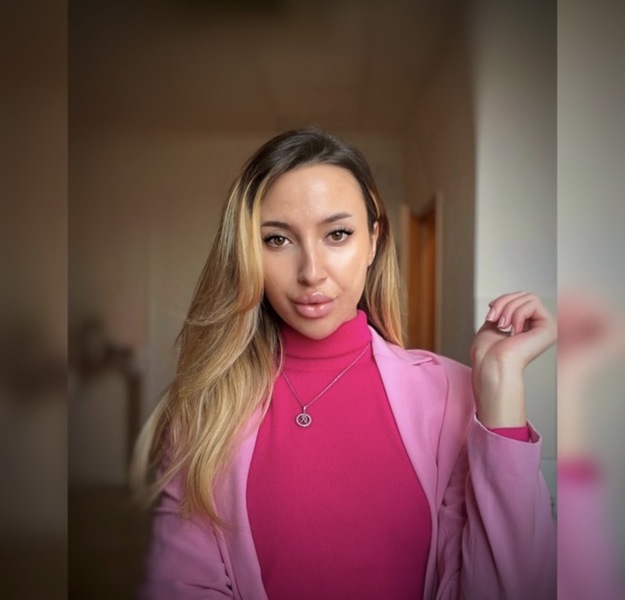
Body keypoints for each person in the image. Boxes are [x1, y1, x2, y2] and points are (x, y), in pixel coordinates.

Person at [132, 127, 556, 600]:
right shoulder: (204, 411)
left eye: (337, 234)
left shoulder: (450, 396)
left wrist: (499, 385)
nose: (311, 272)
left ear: (373, 241)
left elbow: (512, 587)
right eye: (277, 240)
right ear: (247, 252)